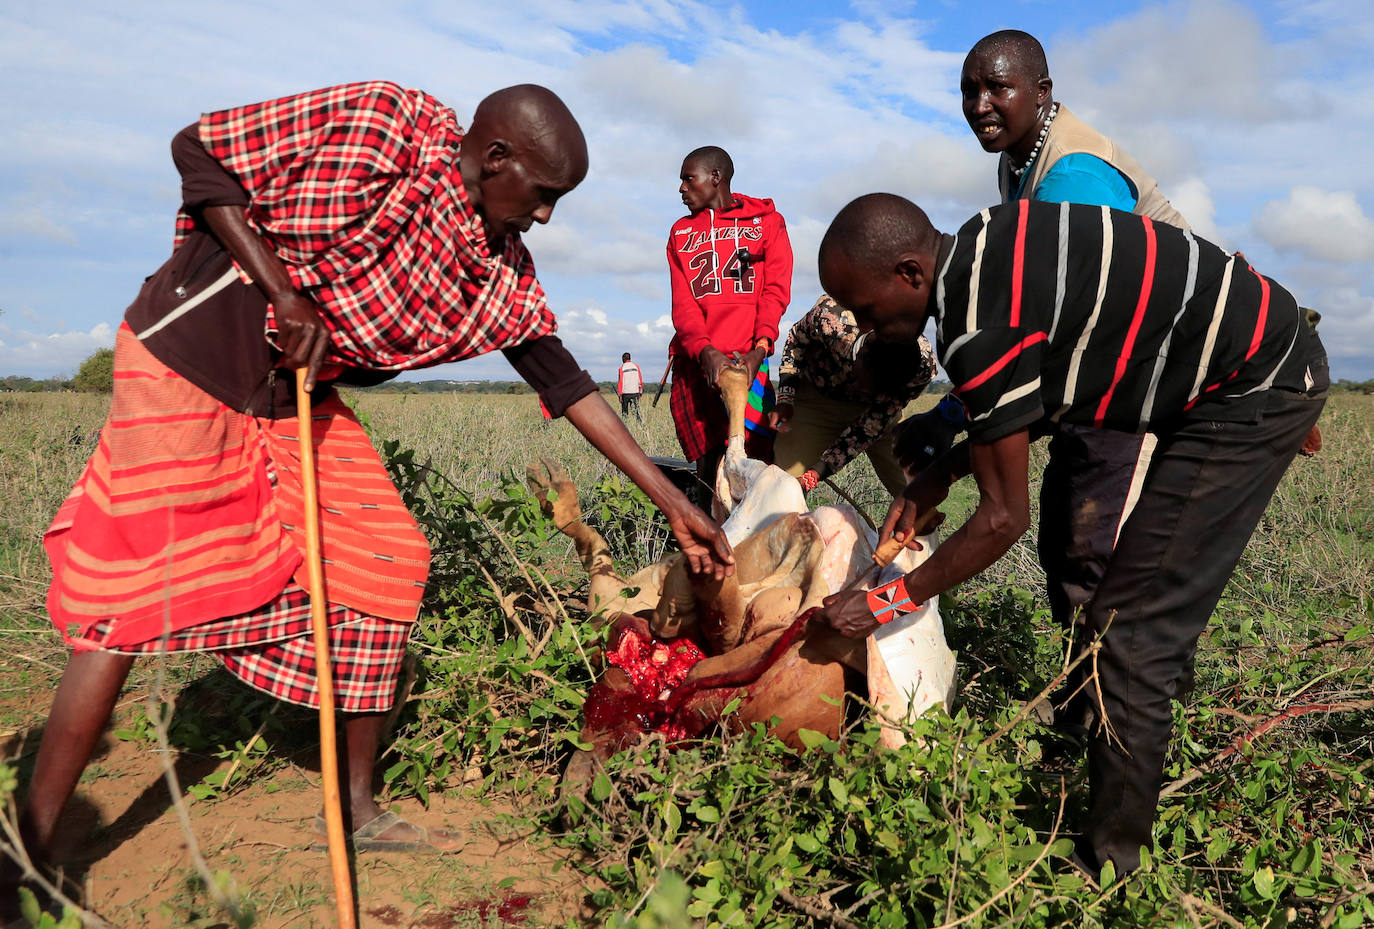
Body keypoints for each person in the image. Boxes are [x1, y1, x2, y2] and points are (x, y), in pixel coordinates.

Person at [7, 81, 734, 899]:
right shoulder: (386, 128)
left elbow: (561, 377)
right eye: (542, 195)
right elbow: (202, 152)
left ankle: (354, 808)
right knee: (127, 597)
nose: (544, 219)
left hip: (290, 397)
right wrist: (281, 292)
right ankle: (29, 852)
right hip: (190, 355)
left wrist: (674, 504)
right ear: (495, 158)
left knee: (389, 558)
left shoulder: (493, 270)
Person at [815, 193, 1327, 878]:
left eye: (868, 309)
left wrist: (880, 604)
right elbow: (1049, 398)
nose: (870, 328)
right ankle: (1148, 734)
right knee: (1138, 605)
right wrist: (937, 474)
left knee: (1131, 628)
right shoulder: (984, 246)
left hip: (1252, 383)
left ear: (910, 273)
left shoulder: (973, 325)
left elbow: (1003, 520)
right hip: (1228, 371)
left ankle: (1109, 865)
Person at [899, 29, 1195, 730]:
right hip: (1097, 377)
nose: (979, 104)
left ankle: (1121, 731)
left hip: (1144, 376)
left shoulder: (1074, 179)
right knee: (1069, 544)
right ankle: (1090, 709)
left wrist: (954, 437)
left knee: (1100, 559)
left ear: (1043, 93)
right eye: (969, 90)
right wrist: (951, 423)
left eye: (997, 88)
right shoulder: (1019, 162)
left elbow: (1084, 323)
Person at [667, 145, 793, 494]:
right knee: (709, 461)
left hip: (747, 361)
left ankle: (755, 538)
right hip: (699, 361)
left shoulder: (767, 223)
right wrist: (704, 351)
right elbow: (684, 304)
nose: (681, 188)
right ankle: (714, 535)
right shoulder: (680, 233)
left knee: (755, 455)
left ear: (716, 178)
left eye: (688, 179)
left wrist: (761, 348)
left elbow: (775, 290)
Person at [771, 294, 938, 496]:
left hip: (877, 413)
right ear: (859, 354)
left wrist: (815, 474)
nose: (860, 390)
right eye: (861, 382)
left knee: (916, 496)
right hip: (818, 401)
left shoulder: (922, 369)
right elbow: (797, 338)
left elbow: (867, 429)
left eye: (876, 389)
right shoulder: (831, 318)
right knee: (781, 489)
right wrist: (786, 396)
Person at [617, 351, 644, 422]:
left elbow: (620, 382)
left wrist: (620, 395)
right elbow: (640, 381)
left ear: (623, 359)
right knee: (636, 413)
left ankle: (625, 428)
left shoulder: (621, 368)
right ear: (630, 358)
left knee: (625, 414)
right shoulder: (636, 367)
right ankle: (641, 427)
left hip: (625, 393)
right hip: (635, 392)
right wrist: (640, 393)